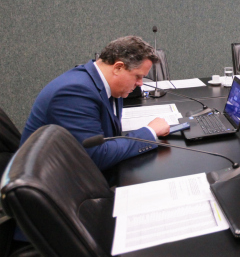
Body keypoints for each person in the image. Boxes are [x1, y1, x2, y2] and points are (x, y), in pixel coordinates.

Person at [20, 36, 170, 172]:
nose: (140, 84)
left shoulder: (107, 84)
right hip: (59, 187)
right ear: (118, 67)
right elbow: (95, 157)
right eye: (138, 76)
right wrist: (148, 132)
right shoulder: (74, 93)